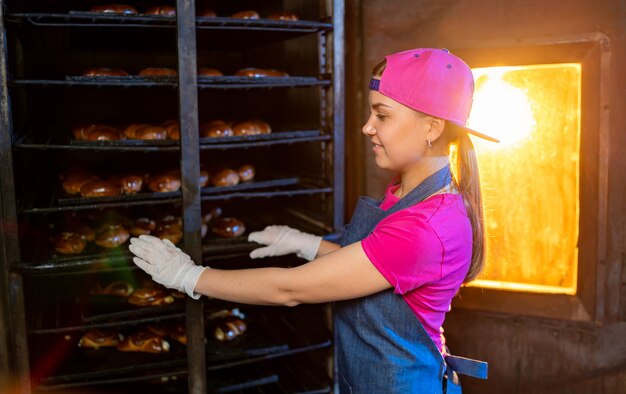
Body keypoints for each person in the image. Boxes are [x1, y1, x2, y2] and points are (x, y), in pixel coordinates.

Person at [129, 48, 494, 393]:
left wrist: (190, 276)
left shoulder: (425, 227)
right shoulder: (407, 193)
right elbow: (374, 269)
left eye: (382, 115)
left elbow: (290, 289)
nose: (368, 127)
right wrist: (307, 243)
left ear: (431, 128)